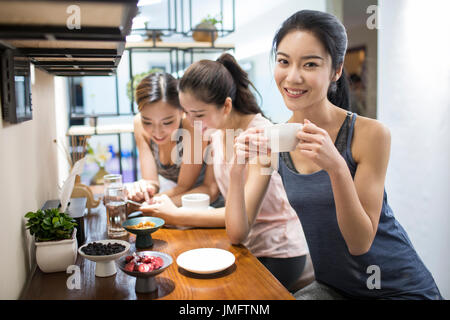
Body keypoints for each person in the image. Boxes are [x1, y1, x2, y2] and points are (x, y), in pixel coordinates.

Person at [229, 10, 443, 300]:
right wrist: (236, 169)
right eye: (283, 61)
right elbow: (238, 234)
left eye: (310, 64)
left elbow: (359, 243)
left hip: (398, 288)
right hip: (335, 287)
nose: (292, 77)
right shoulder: (276, 140)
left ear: (336, 70)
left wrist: (338, 168)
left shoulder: (371, 134)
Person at [140, 53, 310, 290]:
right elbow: (215, 194)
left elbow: (239, 228)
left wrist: (175, 214)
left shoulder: (260, 137)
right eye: (187, 114)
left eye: (198, 115)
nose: (191, 123)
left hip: (278, 252)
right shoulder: (217, 134)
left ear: (226, 106)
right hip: (244, 246)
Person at [127, 72, 222, 207]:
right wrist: (142, 190)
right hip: (170, 207)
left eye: (167, 122)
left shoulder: (193, 127)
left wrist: (147, 203)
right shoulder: (138, 125)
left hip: (206, 206)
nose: (157, 132)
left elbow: (184, 187)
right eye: (147, 122)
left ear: (182, 111)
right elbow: (151, 182)